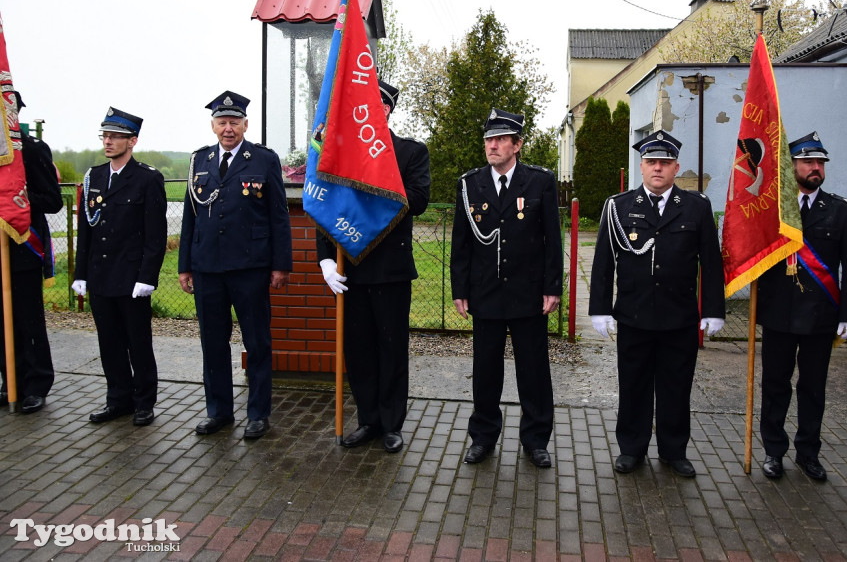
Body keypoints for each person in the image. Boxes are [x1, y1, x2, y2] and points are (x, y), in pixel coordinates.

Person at [589, 130, 725, 476]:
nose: (658, 168)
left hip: (679, 317)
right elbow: (603, 262)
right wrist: (600, 308)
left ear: (676, 167)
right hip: (634, 315)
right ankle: (631, 449)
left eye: (665, 162)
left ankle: (673, 450)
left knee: (675, 387)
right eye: (652, 162)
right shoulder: (618, 206)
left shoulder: (697, 207)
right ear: (641, 166)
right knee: (633, 385)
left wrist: (712, 309)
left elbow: (710, 263)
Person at [317, 80, 431, 453]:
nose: (372, 109)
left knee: (391, 347)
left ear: (387, 110)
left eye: (378, 105)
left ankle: (392, 424)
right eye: (365, 103)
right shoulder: (339, 153)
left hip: (391, 269)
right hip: (352, 269)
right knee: (359, 350)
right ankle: (368, 419)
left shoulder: (411, 152)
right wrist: (325, 259)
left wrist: (375, 174)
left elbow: (417, 200)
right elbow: (327, 207)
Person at [450, 109, 562, 468]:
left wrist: (552, 287)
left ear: (517, 145)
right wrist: (459, 289)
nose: (492, 145)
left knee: (533, 370)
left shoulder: (539, 182)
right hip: (485, 293)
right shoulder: (470, 183)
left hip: (528, 293)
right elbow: (461, 243)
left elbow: (552, 240)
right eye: (488, 139)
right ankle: (483, 436)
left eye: (500, 139)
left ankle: (536, 439)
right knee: (485, 371)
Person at [178, 90, 292, 439]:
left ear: (245, 124)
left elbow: (278, 216)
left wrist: (280, 265)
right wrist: (185, 265)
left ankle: (257, 414)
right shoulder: (199, 161)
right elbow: (189, 218)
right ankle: (219, 412)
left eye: (234, 122)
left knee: (256, 343)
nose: (228, 128)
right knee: (212, 342)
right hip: (207, 267)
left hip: (250, 268)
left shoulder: (263, 160)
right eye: (222, 122)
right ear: (213, 125)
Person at [756, 132, 847, 481]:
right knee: (775, 385)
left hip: (820, 315)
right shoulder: (772, 208)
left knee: (813, 388)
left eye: (820, 163)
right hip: (778, 314)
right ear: (792, 166)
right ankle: (773, 451)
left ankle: (808, 453)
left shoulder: (842, 210)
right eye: (808, 162)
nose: (816, 168)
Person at [72, 108, 167, 427]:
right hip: (100, 276)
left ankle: (144, 402)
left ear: (132, 141)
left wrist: (147, 277)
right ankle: (118, 399)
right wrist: (80, 273)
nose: (108, 141)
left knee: (137, 341)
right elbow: (86, 229)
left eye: (115, 136)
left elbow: (156, 235)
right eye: (105, 136)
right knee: (108, 341)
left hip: (130, 278)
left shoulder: (147, 178)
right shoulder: (94, 176)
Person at [0, 91, 62, 414]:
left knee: (28, 319)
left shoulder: (33, 150)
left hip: (24, 248)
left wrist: (18, 201)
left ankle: (36, 384)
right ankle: (10, 380)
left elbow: (53, 200)